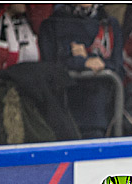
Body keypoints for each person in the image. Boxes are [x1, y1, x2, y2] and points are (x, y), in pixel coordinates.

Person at [38, 3, 125, 138]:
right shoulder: (52, 24)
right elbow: (50, 70)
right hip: (65, 118)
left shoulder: (109, 24)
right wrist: (82, 62)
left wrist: (98, 63)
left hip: (102, 118)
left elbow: (118, 69)